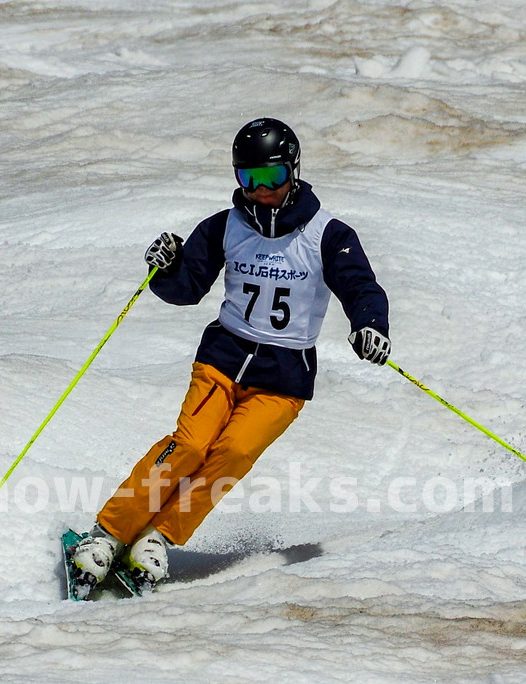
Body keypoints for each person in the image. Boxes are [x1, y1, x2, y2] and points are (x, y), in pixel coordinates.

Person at [69, 117, 391, 596]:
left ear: (294, 172)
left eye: (273, 178)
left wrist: (370, 326)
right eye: (249, 179)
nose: (262, 191)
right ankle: (108, 533)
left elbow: (361, 287)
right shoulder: (226, 226)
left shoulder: (328, 234)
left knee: (233, 454)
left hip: (284, 376)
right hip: (223, 357)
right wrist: (166, 263)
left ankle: (157, 538)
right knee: (191, 447)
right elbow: (185, 289)